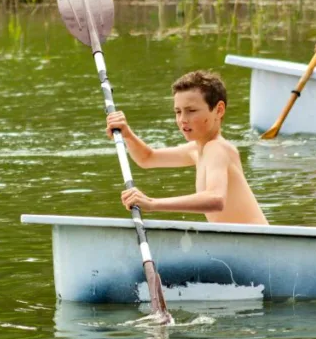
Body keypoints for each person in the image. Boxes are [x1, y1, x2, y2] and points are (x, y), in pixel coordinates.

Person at [105, 70, 268, 225]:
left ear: (219, 110)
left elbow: (216, 199)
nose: (183, 119)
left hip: (257, 242)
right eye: (178, 112)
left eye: (191, 111)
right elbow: (147, 158)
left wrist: (152, 203)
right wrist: (127, 134)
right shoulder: (196, 149)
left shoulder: (217, 148)